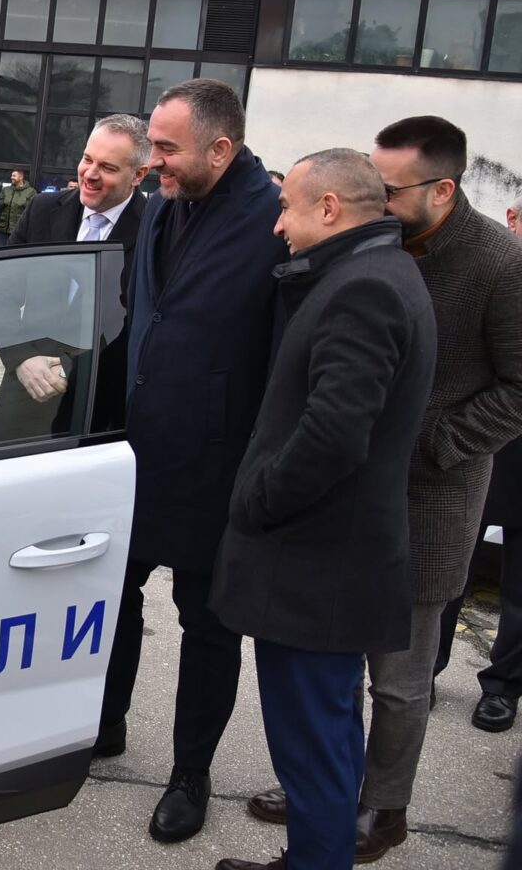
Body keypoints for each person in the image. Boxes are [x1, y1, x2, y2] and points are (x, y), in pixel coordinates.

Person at [247, 117, 522, 861]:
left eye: (391, 188)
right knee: (330, 661)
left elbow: (520, 387)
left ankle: (383, 805)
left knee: (400, 679)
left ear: (443, 190)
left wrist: (434, 443)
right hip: (351, 490)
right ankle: (326, 791)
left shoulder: (499, 263)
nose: (375, 195)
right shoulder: (376, 246)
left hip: (431, 496)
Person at [212, 149, 437, 870]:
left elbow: (335, 434)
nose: (278, 225)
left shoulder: (363, 287)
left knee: (313, 748)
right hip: (328, 567)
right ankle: (316, 856)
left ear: (330, 208)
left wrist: (257, 501)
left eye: (288, 208)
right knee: (328, 739)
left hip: (315, 572)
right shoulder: (377, 270)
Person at [104, 79, 286, 844]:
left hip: (218, 467)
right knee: (114, 597)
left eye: (167, 148)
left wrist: (262, 470)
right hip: (140, 453)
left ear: (221, 148)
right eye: (152, 145)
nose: (152, 161)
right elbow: (140, 315)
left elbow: (284, 357)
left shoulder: (274, 221)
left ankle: (190, 774)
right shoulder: (162, 206)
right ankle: (106, 723)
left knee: (207, 628)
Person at [0, 115, 150, 442]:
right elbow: (1, 291)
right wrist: (22, 358)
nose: (90, 173)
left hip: (100, 408)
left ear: (139, 175)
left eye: (108, 167)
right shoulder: (42, 209)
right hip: (28, 390)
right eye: (87, 159)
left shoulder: (154, 230)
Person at [434, 190, 522, 733]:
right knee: (447, 567)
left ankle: (504, 686)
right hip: (476, 444)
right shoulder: (488, 268)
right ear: (514, 218)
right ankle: (425, 669)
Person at [0, 170, 35, 246]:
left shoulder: (31, 192)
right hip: (4, 229)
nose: (11, 177)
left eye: (14, 176)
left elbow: (31, 209)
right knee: (1, 250)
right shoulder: (6, 190)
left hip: (18, 230)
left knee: (14, 251)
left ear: (21, 177)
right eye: (11, 175)